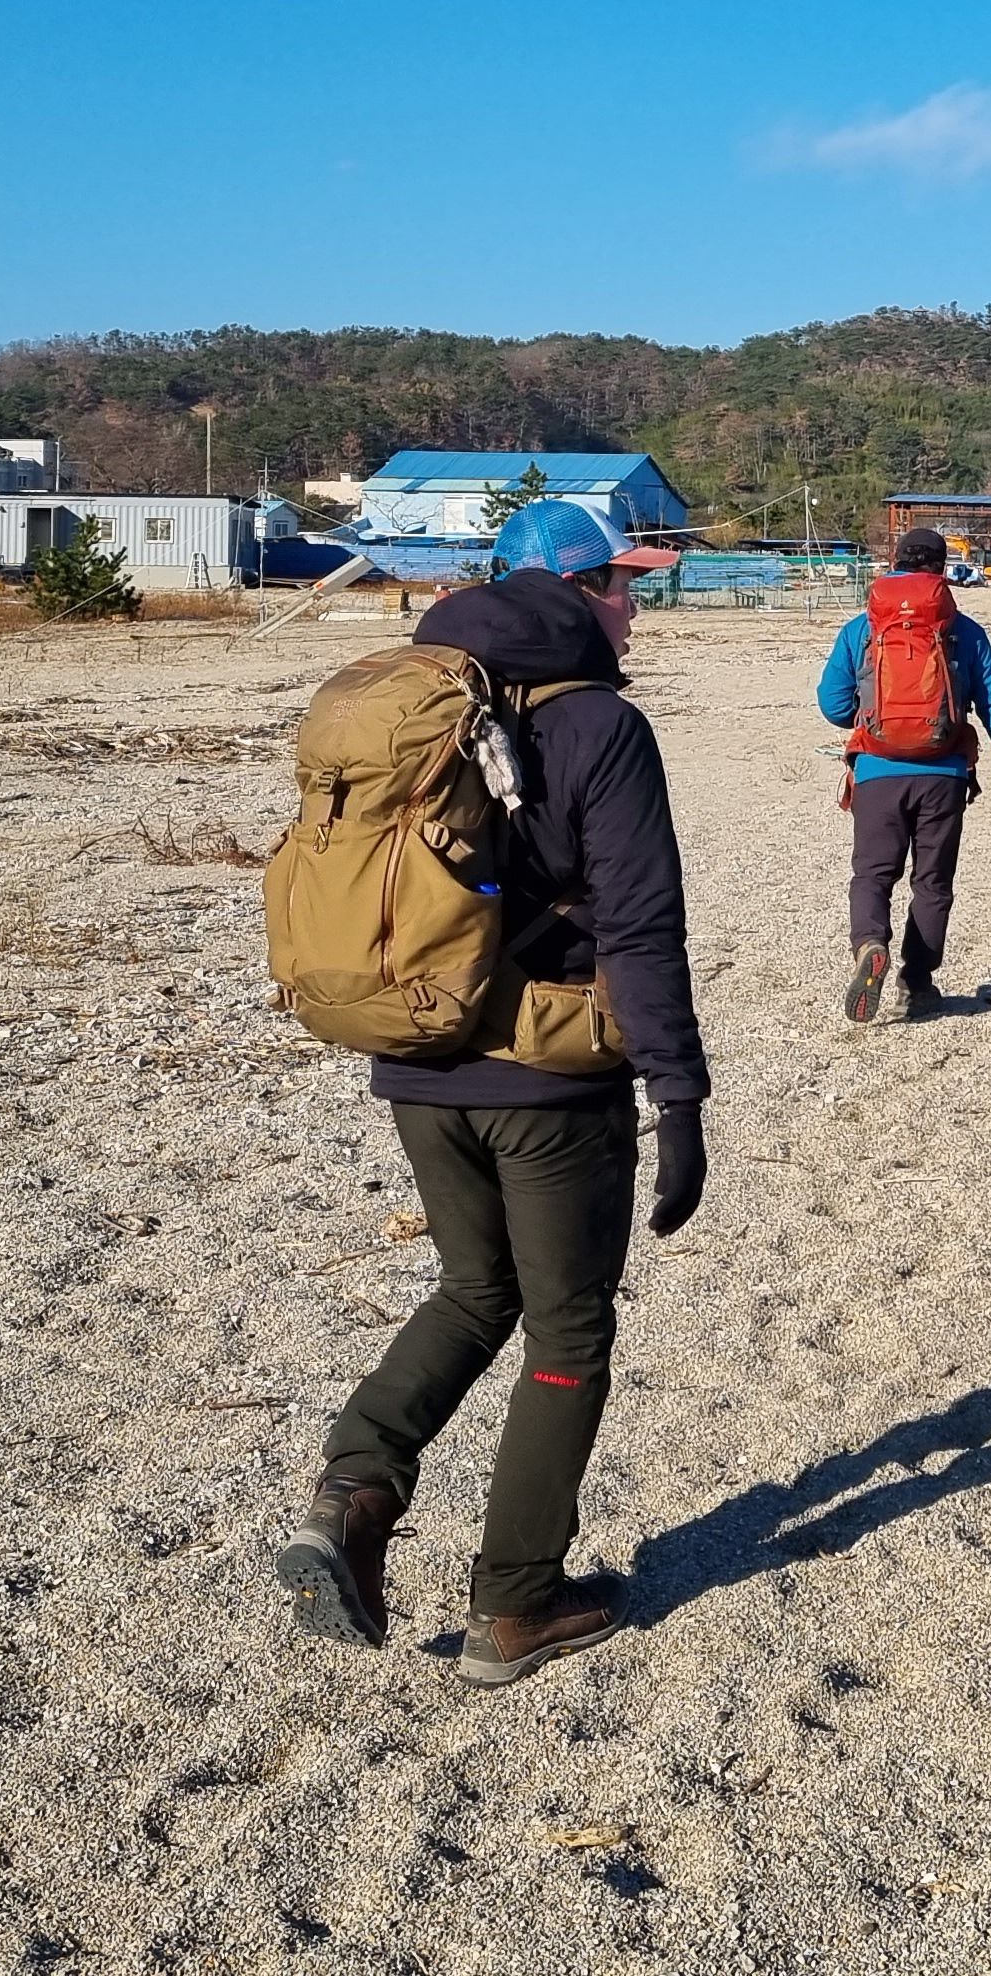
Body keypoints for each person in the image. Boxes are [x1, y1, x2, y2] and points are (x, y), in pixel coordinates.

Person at [278, 498, 711, 1681]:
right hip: (550, 1081)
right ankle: (516, 1603)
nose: (635, 607)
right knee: (569, 1327)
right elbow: (641, 926)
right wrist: (678, 1096)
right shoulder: (599, 724)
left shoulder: (412, 706)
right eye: (621, 584)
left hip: (418, 1061)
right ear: (571, 591)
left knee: (474, 1290)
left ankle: (356, 1489)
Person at [818, 526, 991, 1022]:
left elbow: (831, 704)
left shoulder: (861, 628)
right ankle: (917, 984)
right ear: (941, 571)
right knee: (932, 883)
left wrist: (870, 717)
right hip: (944, 775)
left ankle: (869, 944)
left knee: (873, 874)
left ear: (893, 562)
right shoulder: (964, 630)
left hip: (877, 771)